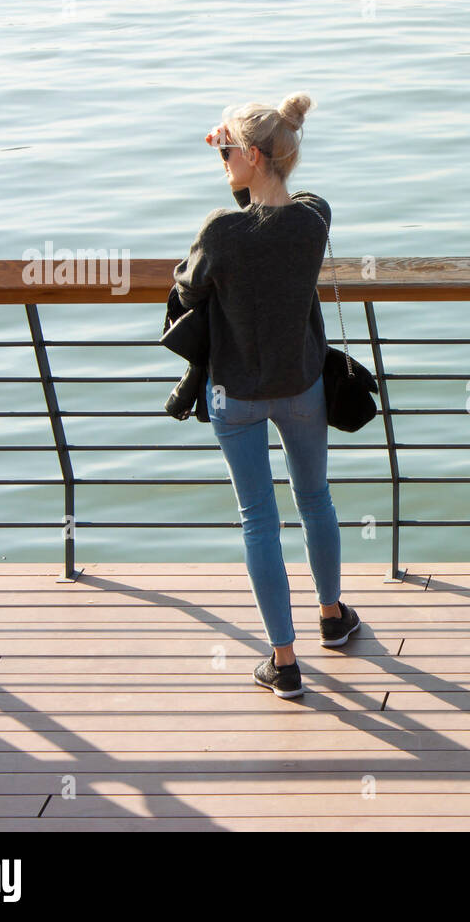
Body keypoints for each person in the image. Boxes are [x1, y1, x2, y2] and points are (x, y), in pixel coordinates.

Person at [173, 91, 360, 700]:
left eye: (228, 152)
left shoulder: (220, 231)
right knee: (316, 499)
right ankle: (332, 618)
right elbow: (280, 203)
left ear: (252, 155)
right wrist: (245, 155)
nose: (222, 159)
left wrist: (235, 164)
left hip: (238, 396)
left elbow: (188, 283)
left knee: (259, 519)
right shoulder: (316, 218)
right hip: (303, 385)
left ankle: (284, 663)